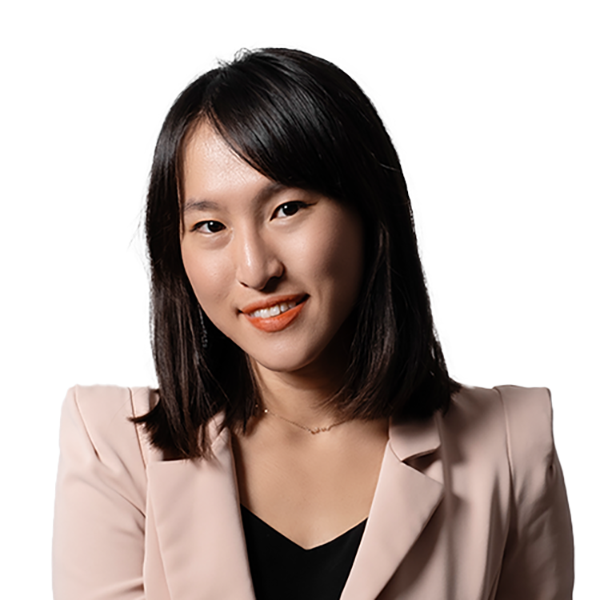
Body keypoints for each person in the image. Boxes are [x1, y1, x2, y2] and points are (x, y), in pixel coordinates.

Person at [52, 48, 574, 600]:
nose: (256, 269)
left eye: (287, 209)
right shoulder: (114, 448)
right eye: (210, 225)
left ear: (369, 212)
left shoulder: (510, 446)